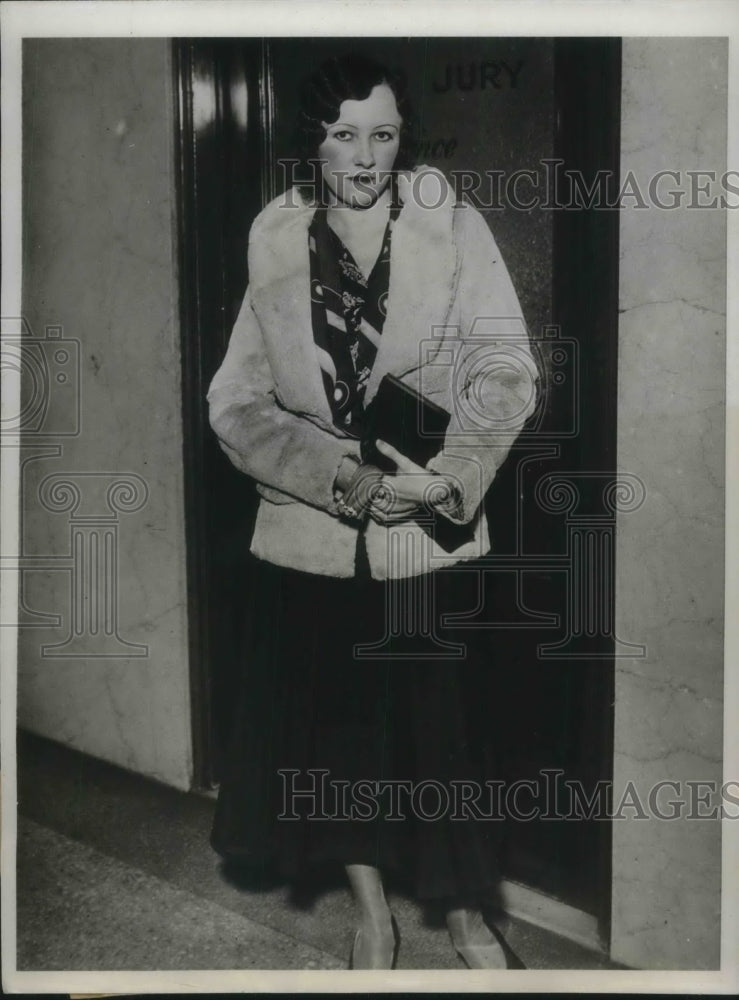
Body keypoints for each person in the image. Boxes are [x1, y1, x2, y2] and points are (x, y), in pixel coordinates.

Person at [207, 52, 539, 970]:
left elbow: (505, 370)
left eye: (382, 134)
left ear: (403, 140)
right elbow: (234, 402)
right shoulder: (274, 243)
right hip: (316, 538)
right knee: (343, 750)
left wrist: (453, 473)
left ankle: (470, 926)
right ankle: (372, 919)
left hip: (427, 535)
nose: (364, 156)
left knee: (446, 752)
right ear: (310, 143)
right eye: (343, 134)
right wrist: (338, 474)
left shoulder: (451, 228)